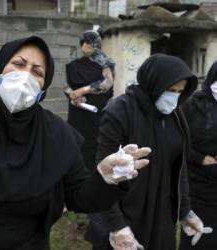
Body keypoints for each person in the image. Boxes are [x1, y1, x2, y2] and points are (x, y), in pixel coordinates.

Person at [0, 36, 151, 250]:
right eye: (18, 65)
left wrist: (103, 178)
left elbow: (80, 198)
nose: (25, 76)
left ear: (44, 87)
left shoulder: (58, 136)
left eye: (37, 72)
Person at [85, 54, 211, 250]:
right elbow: (103, 175)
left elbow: (179, 166)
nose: (174, 97)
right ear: (153, 83)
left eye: (179, 92)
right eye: (170, 90)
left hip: (161, 213)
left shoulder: (175, 116)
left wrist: (185, 211)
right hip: (125, 210)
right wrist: (117, 226)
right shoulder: (120, 112)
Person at [179, 61, 217, 250]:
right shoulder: (192, 106)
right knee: (200, 238)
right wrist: (200, 158)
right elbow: (178, 143)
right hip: (198, 186)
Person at [65, 29, 115, 170]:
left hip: (97, 113)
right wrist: (72, 95)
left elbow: (107, 83)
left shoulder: (106, 64)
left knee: (95, 146)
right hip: (78, 112)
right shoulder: (73, 65)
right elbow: (66, 86)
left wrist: (82, 90)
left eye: (90, 43)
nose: (86, 46)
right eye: (84, 42)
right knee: (76, 143)